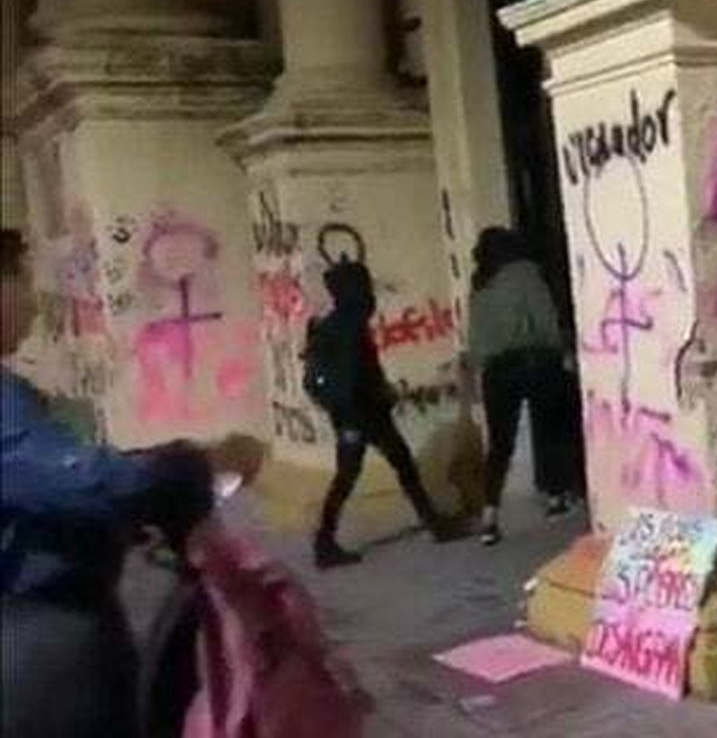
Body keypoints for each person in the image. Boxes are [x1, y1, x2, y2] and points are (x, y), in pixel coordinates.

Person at [0, 229, 263, 738]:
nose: (33, 302)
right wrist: (189, 468)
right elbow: (81, 482)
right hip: (37, 635)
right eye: (19, 281)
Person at [302, 258, 462, 568]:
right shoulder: (348, 325)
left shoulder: (338, 322)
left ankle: (432, 523)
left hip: (358, 412)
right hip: (361, 413)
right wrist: (373, 399)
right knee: (370, 471)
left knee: (384, 467)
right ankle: (325, 542)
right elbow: (355, 375)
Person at [465, 227, 584, 545]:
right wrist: (562, 348)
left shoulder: (480, 283)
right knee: (551, 428)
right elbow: (545, 320)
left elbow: (475, 338)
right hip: (534, 361)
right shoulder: (526, 275)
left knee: (500, 445)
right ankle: (556, 496)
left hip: (496, 371)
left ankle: (489, 517)